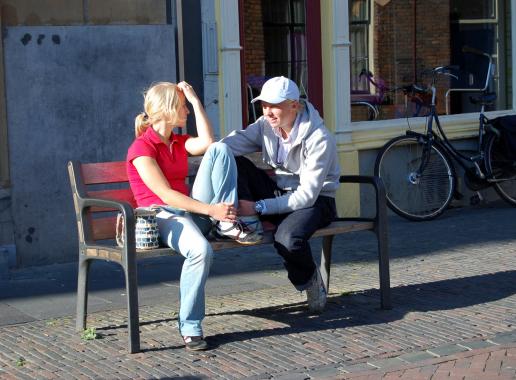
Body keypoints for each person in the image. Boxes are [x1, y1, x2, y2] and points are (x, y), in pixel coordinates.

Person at [126, 81, 261, 351]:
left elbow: (209, 143)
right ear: (167, 110)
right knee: (200, 250)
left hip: (191, 212)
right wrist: (211, 209)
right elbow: (165, 195)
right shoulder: (142, 149)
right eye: (183, 107)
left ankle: (225, 223)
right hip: (162, 216)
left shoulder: (177, 141)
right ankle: (190, 326)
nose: (186, 112)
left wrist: (196, 100)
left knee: (220, 149)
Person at [221, 76, 340, 313]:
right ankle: (245, 223)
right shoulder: (266, 126)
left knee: (287, 239)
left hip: (316, 201)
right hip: (279, 193)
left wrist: (259, 207)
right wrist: (200, 149)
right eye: (264, 105)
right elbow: (229, 146)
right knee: (232, 160)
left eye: (274, 105)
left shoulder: (319, 138)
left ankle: (310, 280)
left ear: (294, 105)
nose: (267, 111)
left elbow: (307, 196)